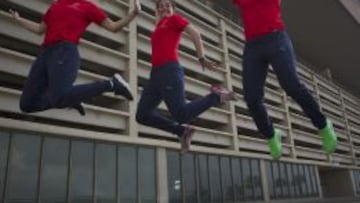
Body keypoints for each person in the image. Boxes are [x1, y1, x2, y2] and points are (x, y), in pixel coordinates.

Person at [232, 0, 337, 159]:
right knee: (252, 98)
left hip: (276, 38)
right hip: (253, 46)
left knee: (291, 85)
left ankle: (323, 125)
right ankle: (271, 135)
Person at [136, 0, 236, 153]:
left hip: (169, 70)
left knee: (181, 114)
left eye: (167, 5)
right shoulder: (159, 25)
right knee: (142, 115)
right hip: (155, 75)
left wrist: (201, 57)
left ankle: (216, 96)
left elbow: (195, 33)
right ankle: (182, 131)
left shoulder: (174, 19)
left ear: (173, 9)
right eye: (160, 6)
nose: (163, 8)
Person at [9, 0, 141, 116]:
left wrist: (133, 14)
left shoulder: (86, 6)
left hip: (64, 52)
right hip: (45, 54)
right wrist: (19, 20)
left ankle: (111, 84)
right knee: (27, 104)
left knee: (59, 97)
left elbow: (113, 27)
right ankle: (72, 99)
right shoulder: (55, 6)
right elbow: (39, 29)